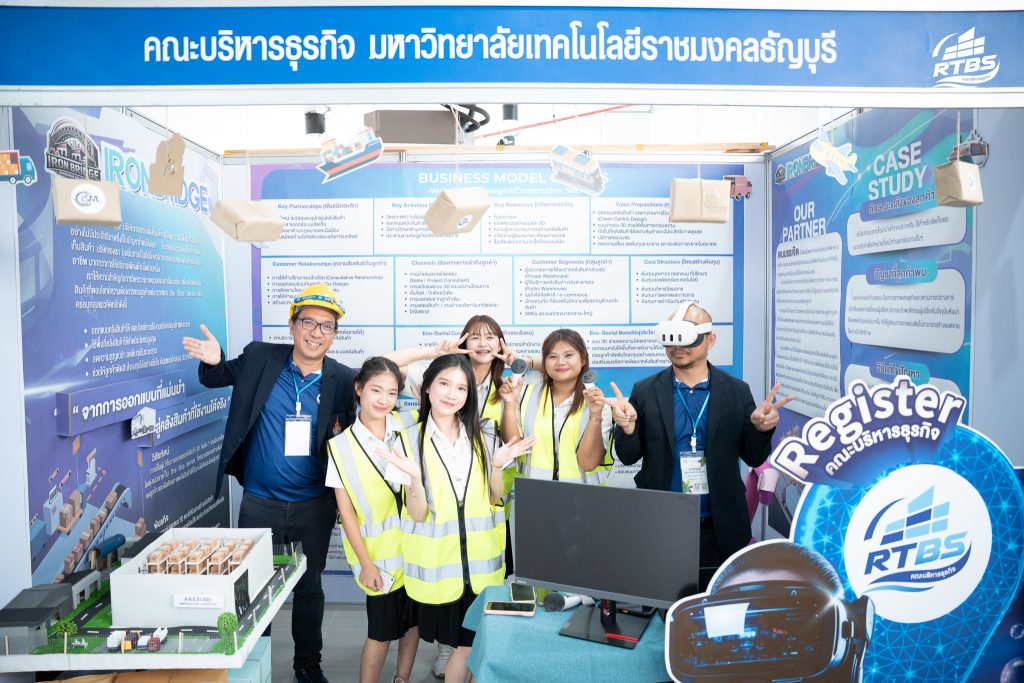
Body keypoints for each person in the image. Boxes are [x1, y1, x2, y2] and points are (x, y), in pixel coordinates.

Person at [182, 283, 354, 683]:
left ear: (334, 334)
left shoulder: (343, 379)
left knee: (309, 589)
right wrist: (214, 361)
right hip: (260, 502)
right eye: (308, 322)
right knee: (254, 590)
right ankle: (252, 664)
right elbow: (217, 377)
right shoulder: (261, 357)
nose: (316, 332)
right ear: (292, 326)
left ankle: (307, 667)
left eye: (326, 326)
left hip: (315, 504)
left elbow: (360, 418)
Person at [601, 302, 794, 590]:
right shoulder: (646, 390)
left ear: (710, 340)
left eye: (687, 338)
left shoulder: (736, 391)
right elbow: (628, 457)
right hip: (661, 523)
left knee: (718, 603)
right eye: (671, 339)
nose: (678, 347)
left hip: (720, 525)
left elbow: (754, 456)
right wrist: (627, 428)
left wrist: (760, 429)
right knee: (666, 602)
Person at [385, 315, 534, 678]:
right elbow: (416, 513)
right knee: (460, 640)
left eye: (460, 389)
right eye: (443, 385)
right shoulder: (409, 437)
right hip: (442, 562)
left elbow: (495, 496)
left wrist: (497, 464)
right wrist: (415, 478)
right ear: (426, 389)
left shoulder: (489, 425)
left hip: (482, 560)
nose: (451, 394)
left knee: (473, 641)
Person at [325, 357, 420, 683]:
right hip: (380, 560)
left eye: (392, 393)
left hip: (417, 552)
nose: (384, 400)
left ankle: (402, 679)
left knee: (412, 626)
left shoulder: (409, 425)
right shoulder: (340, 446)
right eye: (376, 390)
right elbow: (346, 513)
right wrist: (366, 564)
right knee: (380, 634)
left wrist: (433, 352)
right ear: (359, 388)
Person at [498, 328, 613, 483]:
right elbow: (514, 448)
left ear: (583, 359)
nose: (560, 362)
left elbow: (588, 463)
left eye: (568, 355)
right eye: (552, 356)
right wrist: (509, 404)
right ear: (544, 361)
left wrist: (595, 414)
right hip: (533, 490)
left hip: (582, 494)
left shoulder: (599, 404)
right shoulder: (525, 393)